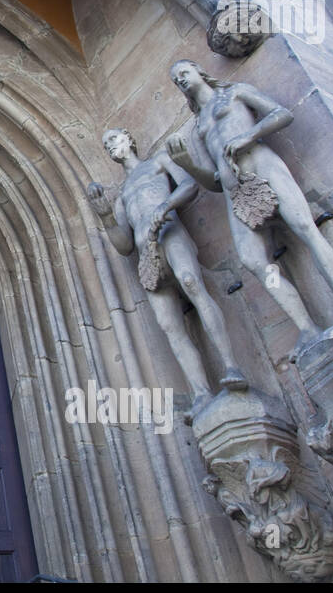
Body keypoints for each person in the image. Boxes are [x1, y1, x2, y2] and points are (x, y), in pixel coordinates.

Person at [166, 60, 333, 342]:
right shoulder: (198, 127)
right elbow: (213, 182)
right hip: (235, 189)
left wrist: (250, 135)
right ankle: (306, 328)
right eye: (176, 80)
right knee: (253, 261)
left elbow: (281, 114)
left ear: (199, 71)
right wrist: (187, 164)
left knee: (305, 228)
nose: (181, 80)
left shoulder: (235, 93)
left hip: (262, 164)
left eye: (184, 73)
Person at [88, 128, 245, 416]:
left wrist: (166, 206)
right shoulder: (122, 195)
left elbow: (188, 186)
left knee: (192, 283)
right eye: (106, 144)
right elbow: (123, 245)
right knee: (169, 324)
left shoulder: (158, 162)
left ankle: (231, 364)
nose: (111, 146)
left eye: (114, 139)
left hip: (170, 233)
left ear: (130, 139)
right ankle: (201, 392)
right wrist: (106, 216)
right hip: (145, 251)